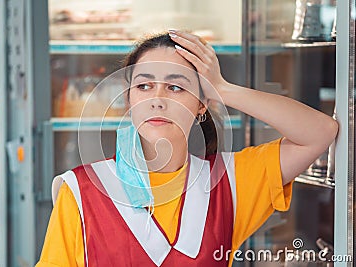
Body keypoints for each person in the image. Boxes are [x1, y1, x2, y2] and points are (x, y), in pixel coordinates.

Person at [36, 30, 338, 267]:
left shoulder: (230, 182)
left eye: (176, 87)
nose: (158, 99)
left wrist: (223, 89)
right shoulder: (81, 190)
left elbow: (320, 132)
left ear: (201, 105)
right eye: (144, 86)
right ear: (128, 101)